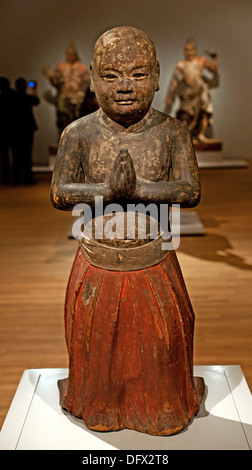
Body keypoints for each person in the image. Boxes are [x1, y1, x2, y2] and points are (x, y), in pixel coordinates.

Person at [51, 26, 204, 436]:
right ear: (92, 76)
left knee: (162, 348)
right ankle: (97, 404)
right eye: (111, 75)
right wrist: (105, 190)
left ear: (156, 76)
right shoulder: (78, 133)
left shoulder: (171, 132)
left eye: (137, 75)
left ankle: (162, 409)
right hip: (96, 264)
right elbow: (60, 192)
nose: (124, 87)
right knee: (95, 350)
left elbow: (190, 190)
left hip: (154, 263)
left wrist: (139, 189)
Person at [165, 38, 219, 141]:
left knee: (204, 112)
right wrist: (169, 96)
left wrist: (214, 58)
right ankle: (184, 137)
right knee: (185, 115)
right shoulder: (181, 64)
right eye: (186, 50)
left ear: (195, 50)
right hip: (188, 94)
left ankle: (201, 134)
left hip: (201, 92)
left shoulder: (201, 61)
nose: (189, 52)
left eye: (191, 50)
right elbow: (174, 81)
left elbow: (213, 69)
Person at [43, 43, 89, 136]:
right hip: (64, 96)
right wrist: (51, 77)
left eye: (72, 54)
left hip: (78, 97)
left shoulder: (81, 67)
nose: (71, 56)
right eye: (69, 54)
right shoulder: (61, 66)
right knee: (63, 121)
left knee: (78, 122)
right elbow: (56, 81)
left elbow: (87, 82)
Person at [11, 78, 39, 185]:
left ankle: (16, 178)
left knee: (16, 155)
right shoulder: (27, 98)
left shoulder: (12, 98)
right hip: (27, 129)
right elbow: (37, 101)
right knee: (27, 154)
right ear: (25, 86)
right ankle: (28, 178)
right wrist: (34, 89)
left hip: (14, 129)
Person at [0, 77, 16, 184]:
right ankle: (16, 177)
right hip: (15, 129)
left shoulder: (1, 97)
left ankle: (6, 176)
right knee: (16, 154)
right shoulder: (14, 95)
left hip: (4, 129)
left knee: (4, 154)